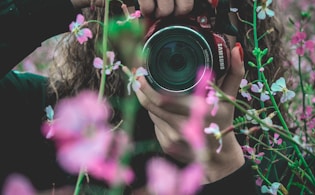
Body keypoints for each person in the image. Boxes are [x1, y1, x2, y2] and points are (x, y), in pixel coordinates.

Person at [0, 0, 287, 194]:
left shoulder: (287, 167)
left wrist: (224, 166)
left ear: (247, 26)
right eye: (158, 21)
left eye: (204, 19)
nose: (179, 38)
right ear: (116, 26)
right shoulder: (56, 125)